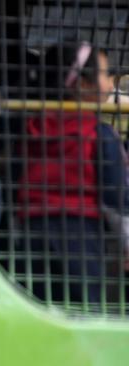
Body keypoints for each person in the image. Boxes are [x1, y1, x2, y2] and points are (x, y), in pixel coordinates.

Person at [18, 41, 128, 306]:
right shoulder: (98, 133)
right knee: (83, 308)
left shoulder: (31, 127)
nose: (110, 83)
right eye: (105, 74)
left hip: (29, 232)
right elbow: (116, 198)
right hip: (80, 237)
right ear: (82, 85)